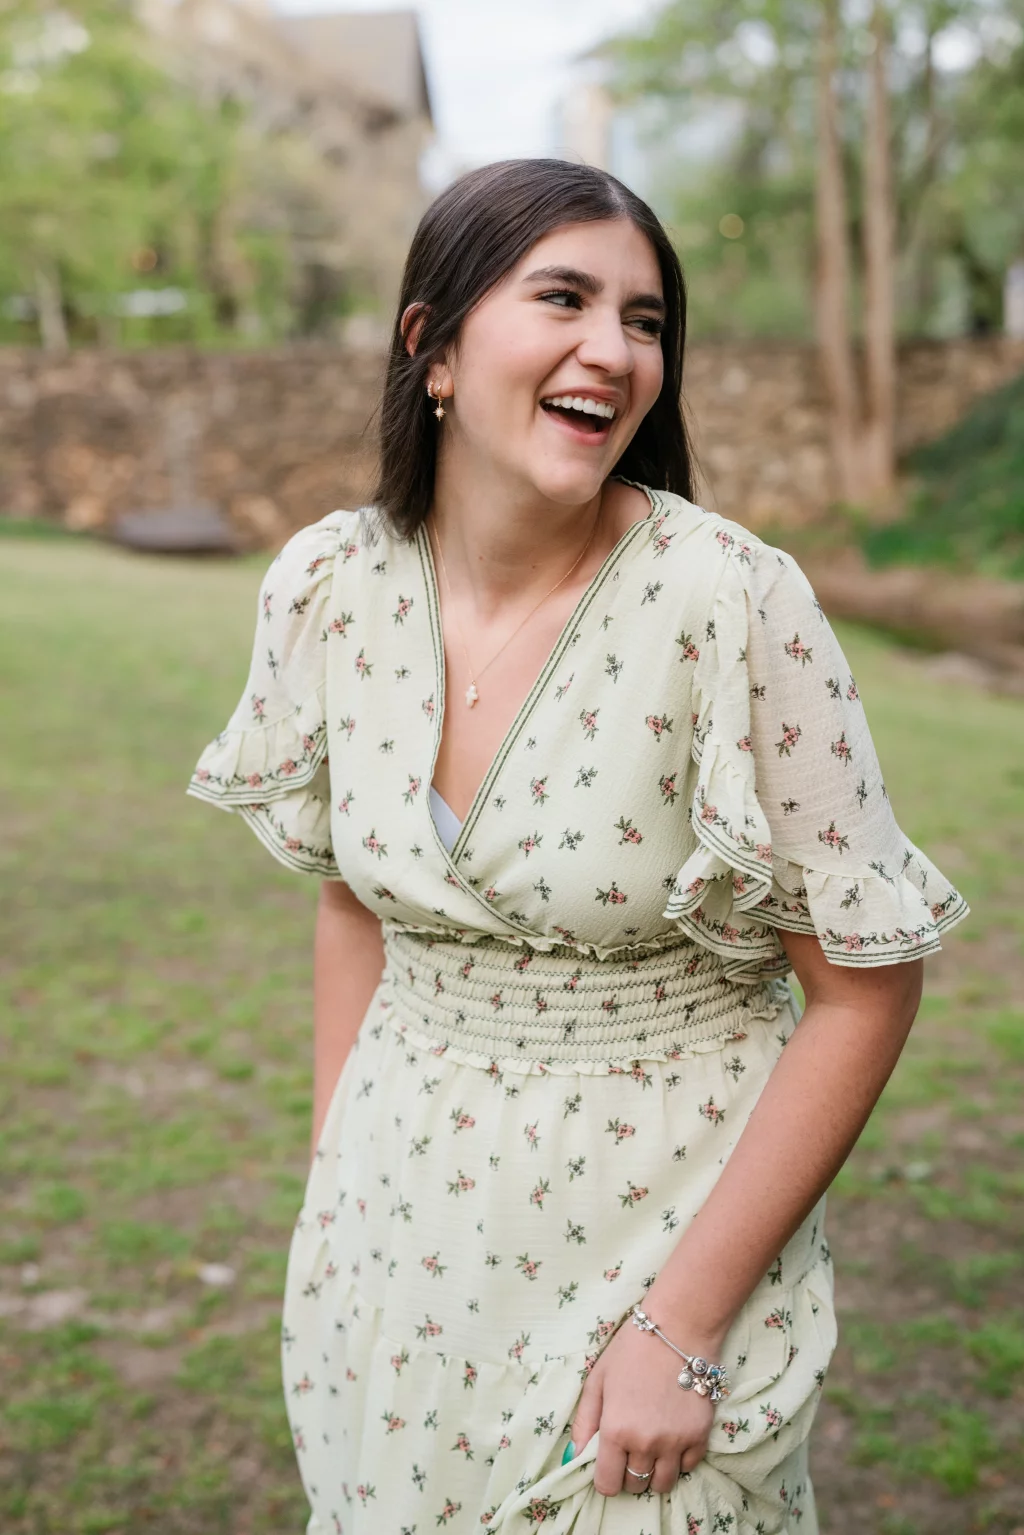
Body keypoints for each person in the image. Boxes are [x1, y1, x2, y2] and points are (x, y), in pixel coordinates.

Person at [187, 159, 969, 1534]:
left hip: (656, 1242)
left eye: (647, 318)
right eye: (564, 297)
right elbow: (357, 903)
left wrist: (681, 1325)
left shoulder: (730, 603)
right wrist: (338, 1185)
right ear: (429, 347)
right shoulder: (328, 588)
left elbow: (863, 986)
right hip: (397, 1243)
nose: (613, 348)